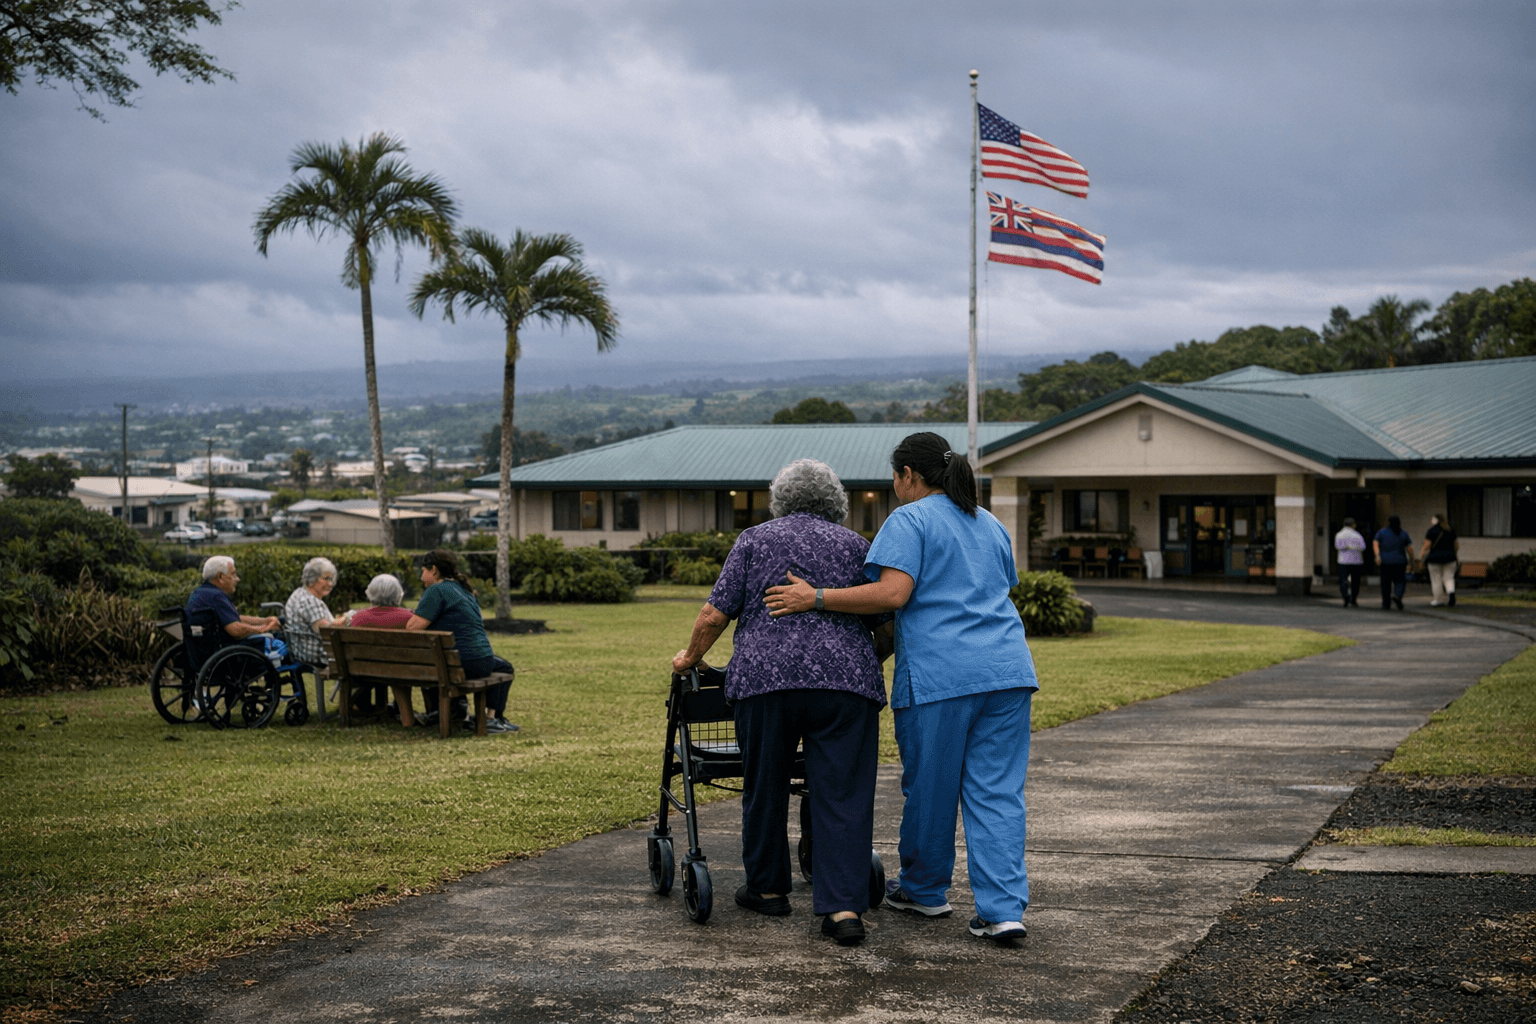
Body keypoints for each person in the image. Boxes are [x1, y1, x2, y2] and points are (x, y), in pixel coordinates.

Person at [765, 431, 1039, 945]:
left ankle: (924, 890)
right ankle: (1003, 912)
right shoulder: (990, 523)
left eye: (895, 476)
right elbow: (994, 590)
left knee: (931, 789)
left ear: (909, 475)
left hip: (942, 676)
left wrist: (815, 597)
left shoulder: (910, 519)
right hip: (1008, 672)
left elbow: (892, 595)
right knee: (998, 792)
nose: (894, 485)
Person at [671, 459, 890, 947]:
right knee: (843, 792)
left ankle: (767, 889)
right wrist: (855, 660)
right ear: (836, 501)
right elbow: (887, 622)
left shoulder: (754, 540)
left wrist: (689, 658)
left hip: (765, 683)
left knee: (764, 784)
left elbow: (714, 614)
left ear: (780, 499)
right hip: (846, 688)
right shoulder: (857, 545)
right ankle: (843, 909)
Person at [406, 548, 518, 734]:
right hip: (482, 659)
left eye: (423, 570)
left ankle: (456, 712)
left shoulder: (436, 590)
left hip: (459, 664)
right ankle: (492, 717)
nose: (421, 576)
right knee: (505, 667)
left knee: (440, 664)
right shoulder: (464, 590)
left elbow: (412, 627)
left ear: (434, 570)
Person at [183, 555, 281, 671]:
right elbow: (235, 629)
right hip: (226, 655)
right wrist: (263, 629)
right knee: (277, 641)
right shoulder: (216, 596)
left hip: (202, 650)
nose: (237, 579)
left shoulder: (200, 593)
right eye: (233, 574)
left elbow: (234, 618)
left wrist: (265, 620)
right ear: (220, 576)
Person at [351, 573, 421, 727]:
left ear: (370, 593)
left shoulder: (358, 618)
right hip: (401, 669)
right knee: (398, 664)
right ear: (398, 594)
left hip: (363, 670)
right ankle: (406, 716)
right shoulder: (409, 617)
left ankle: (358, 706)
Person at [283, 557, 355, 668]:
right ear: (312, 578)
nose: (330, 584)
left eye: (331, 580)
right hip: (317, 655)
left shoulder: (299, 593)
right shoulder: (310, 601)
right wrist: (348, 617)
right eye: (326, 579)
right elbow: (327, 630)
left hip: (301, 651)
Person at [1373, 515, 1413, 611]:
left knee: (1385, 583)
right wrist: (1412, 560)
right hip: (1400, 562)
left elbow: (1375, 543)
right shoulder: (1403, 533)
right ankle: (1398, 595)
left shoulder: (1382, 532)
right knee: (1400, 581)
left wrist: (1377, 556)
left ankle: (1386, 604)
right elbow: (1409, 548)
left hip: (1385, 562)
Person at [1420, 513, 1460, 607]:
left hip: (1435, 558)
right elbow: (1456, 546)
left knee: (1436, 579)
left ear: (1435, 520)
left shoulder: (1432, 531)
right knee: (1449, 578)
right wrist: (1454, 554)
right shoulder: (1450, 530)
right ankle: (1451, 594)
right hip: (1450, 558)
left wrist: (1421, 556)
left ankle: (1438, 600)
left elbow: (1426, 546)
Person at [1333, 517, 1365, 607]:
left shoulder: (1339, 535)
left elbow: (1337, 546)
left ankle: (1345, 596)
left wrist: (1346, 547)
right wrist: (1354, 547)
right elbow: (1363, 547)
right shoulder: (1357, 535)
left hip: (1343, 561)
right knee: (1355, 581)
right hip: (1356, 561)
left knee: (1343, 579)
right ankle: (1353, 599)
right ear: (1353, 525)